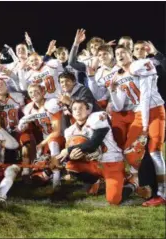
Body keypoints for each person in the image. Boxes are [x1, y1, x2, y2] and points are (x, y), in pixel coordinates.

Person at [110, 45, 166, 206]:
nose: (120, 55)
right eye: (117, 53)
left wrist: (145, 124)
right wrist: (112, 91)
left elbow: (146, 95)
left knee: (155, 152)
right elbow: (119, 106)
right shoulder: (118, 76)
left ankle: (161, 193)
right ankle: (142, 181)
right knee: (129, 152)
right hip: (140, 114)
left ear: (130, 54)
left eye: (123, 53)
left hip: (154, 111)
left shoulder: (140, 65)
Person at [56, 100, 125, 206]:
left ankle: (132, 183)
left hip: (111, 162)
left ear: (88, 110)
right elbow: (75, 152)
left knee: (113, 200)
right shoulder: (69, 131)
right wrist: (71, 156)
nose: (77, 111)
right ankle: (96, 180)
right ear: (72, 112)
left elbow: (93, 144)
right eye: (74, 109)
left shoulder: (97, 118)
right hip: (93, 163)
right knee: (71, 165)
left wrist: (68, 151)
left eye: (81, 108)